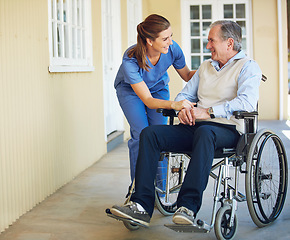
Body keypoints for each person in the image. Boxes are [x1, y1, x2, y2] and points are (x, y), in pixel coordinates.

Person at [109, 20, 262, 227]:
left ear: (229, 43)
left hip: (227, 129)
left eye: (211, 41)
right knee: (149, 134)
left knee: (206, 132)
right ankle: (141, 205)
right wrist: (183, 109)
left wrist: (207, 111)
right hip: (195, 127)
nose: (208, 46)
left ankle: (187, 206)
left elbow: (246, 102)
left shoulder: (248, 67)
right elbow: (186, 93)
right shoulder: (206, 67)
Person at [114, 14, 195, 182]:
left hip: (158, 89)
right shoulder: (131, 59)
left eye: (171, 36)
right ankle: (139, 188)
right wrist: (174, 104)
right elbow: (148, 101)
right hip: (131, 92)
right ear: (150, 41)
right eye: (165, 38)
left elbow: (187, 75)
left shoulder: (172, 49)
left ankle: (159, 187)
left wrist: (212, 70)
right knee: (142, 134)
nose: (170, 42)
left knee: (159, 135)